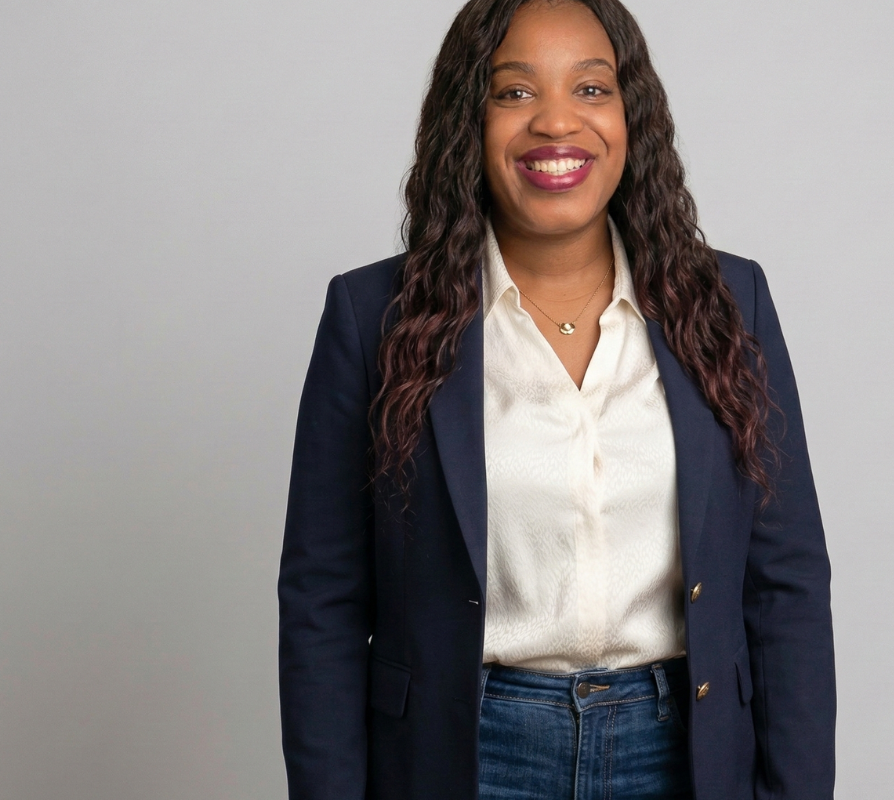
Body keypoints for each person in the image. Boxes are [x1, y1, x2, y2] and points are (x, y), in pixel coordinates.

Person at [277, 0, 836, 798]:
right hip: (466, 756)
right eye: (513, 93)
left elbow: (785, 583)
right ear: (466, 121)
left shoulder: (728, 302)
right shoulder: (374, 320)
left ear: (630, 115)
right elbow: (321, 600)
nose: (555, 123)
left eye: (591, 89)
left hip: (682, 755)